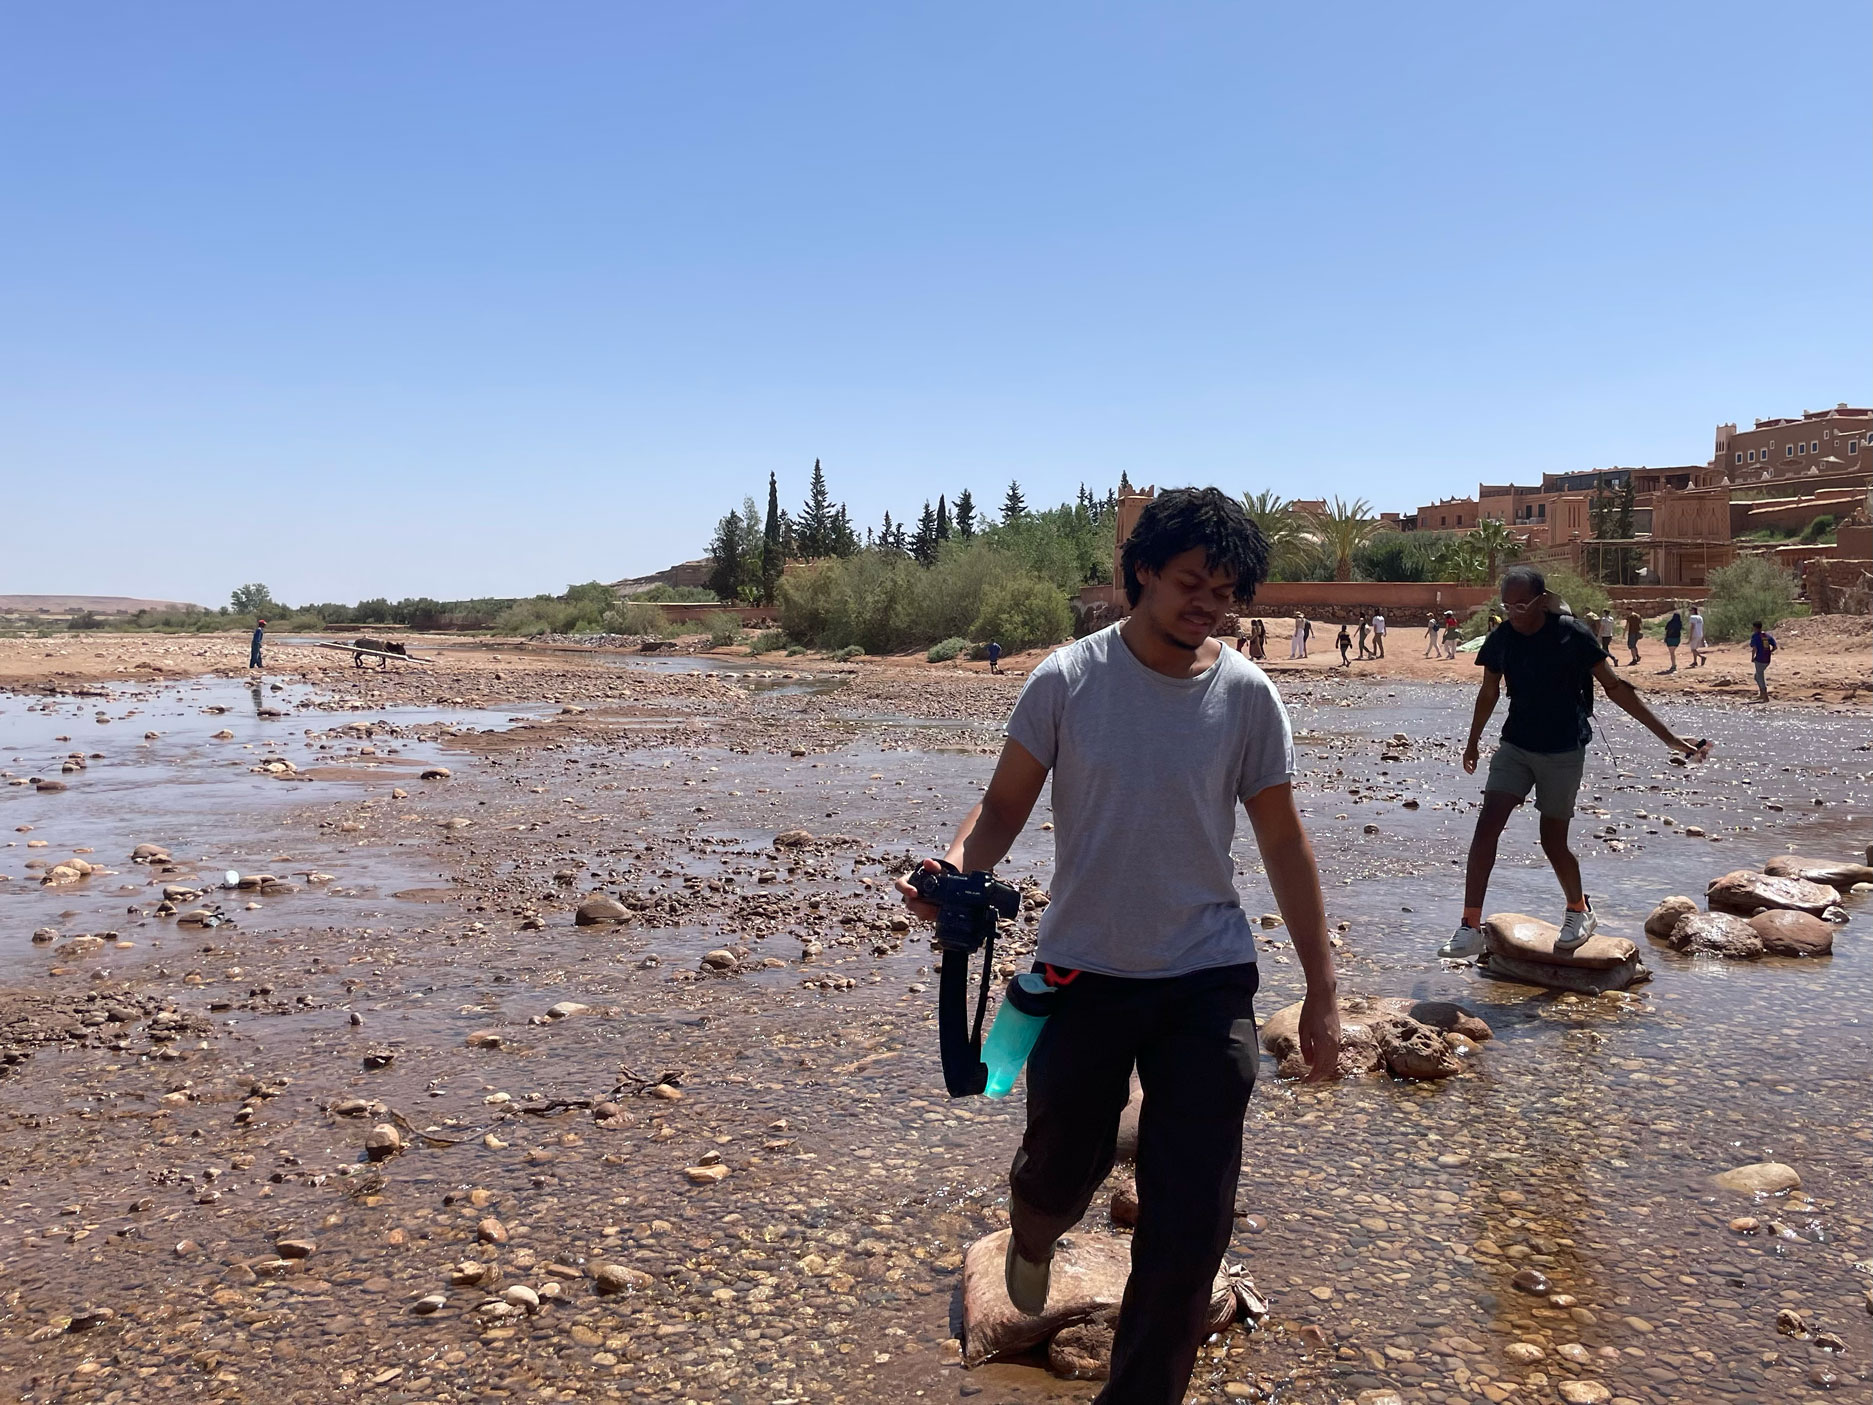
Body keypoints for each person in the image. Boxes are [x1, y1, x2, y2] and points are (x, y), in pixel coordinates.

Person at [898, 487, 1341, 1405]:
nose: (1207, 604)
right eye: (1190, 582)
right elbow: (1004, 805)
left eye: (1223, 590)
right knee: (1059, 1172)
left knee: (1188, 1232)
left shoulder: (1249, 697)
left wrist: (1323, 989)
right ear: (1140, 572)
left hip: (1206, 980)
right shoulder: (1067, 679)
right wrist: (947, 870)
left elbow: (1284, 845)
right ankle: (1030, 1235)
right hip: (1082, 970)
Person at [1439, 567, 1711, 960]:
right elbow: (1488, 692)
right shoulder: (1501, 639)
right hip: (1516, 745)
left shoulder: (1573, 635)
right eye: (1507, 605)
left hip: (1563, 750)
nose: (1514, 612)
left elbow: (1615, 688)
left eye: (1521, 604)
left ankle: (1579, 910)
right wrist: (1472, 741)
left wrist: (1668, 737)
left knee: (1553, 840)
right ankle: (1469, 926)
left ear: (1539, 599)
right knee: (1486, 829)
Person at [1749, 620, 1778, 702]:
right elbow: (1775, 647)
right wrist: (1769, 652)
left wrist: (1752, 657)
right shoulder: (1767, 636)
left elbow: (1754, 648)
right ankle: (1762, 694)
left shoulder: (1755, 636)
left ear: (1754, 627)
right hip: (1767, 660)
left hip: (1759, 659)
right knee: (1757, 676)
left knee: (1760, 676)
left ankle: (1765, 696)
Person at [1662, 609, 1682, 674]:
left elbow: (1666, 630)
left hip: (1670, 639)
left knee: (1672, 653)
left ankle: (1674, 665)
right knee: (1673, 652)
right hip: (1677, 639)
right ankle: (1673, 665)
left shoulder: (1670, 622)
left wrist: (1665, 638)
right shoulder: (1679, 623)